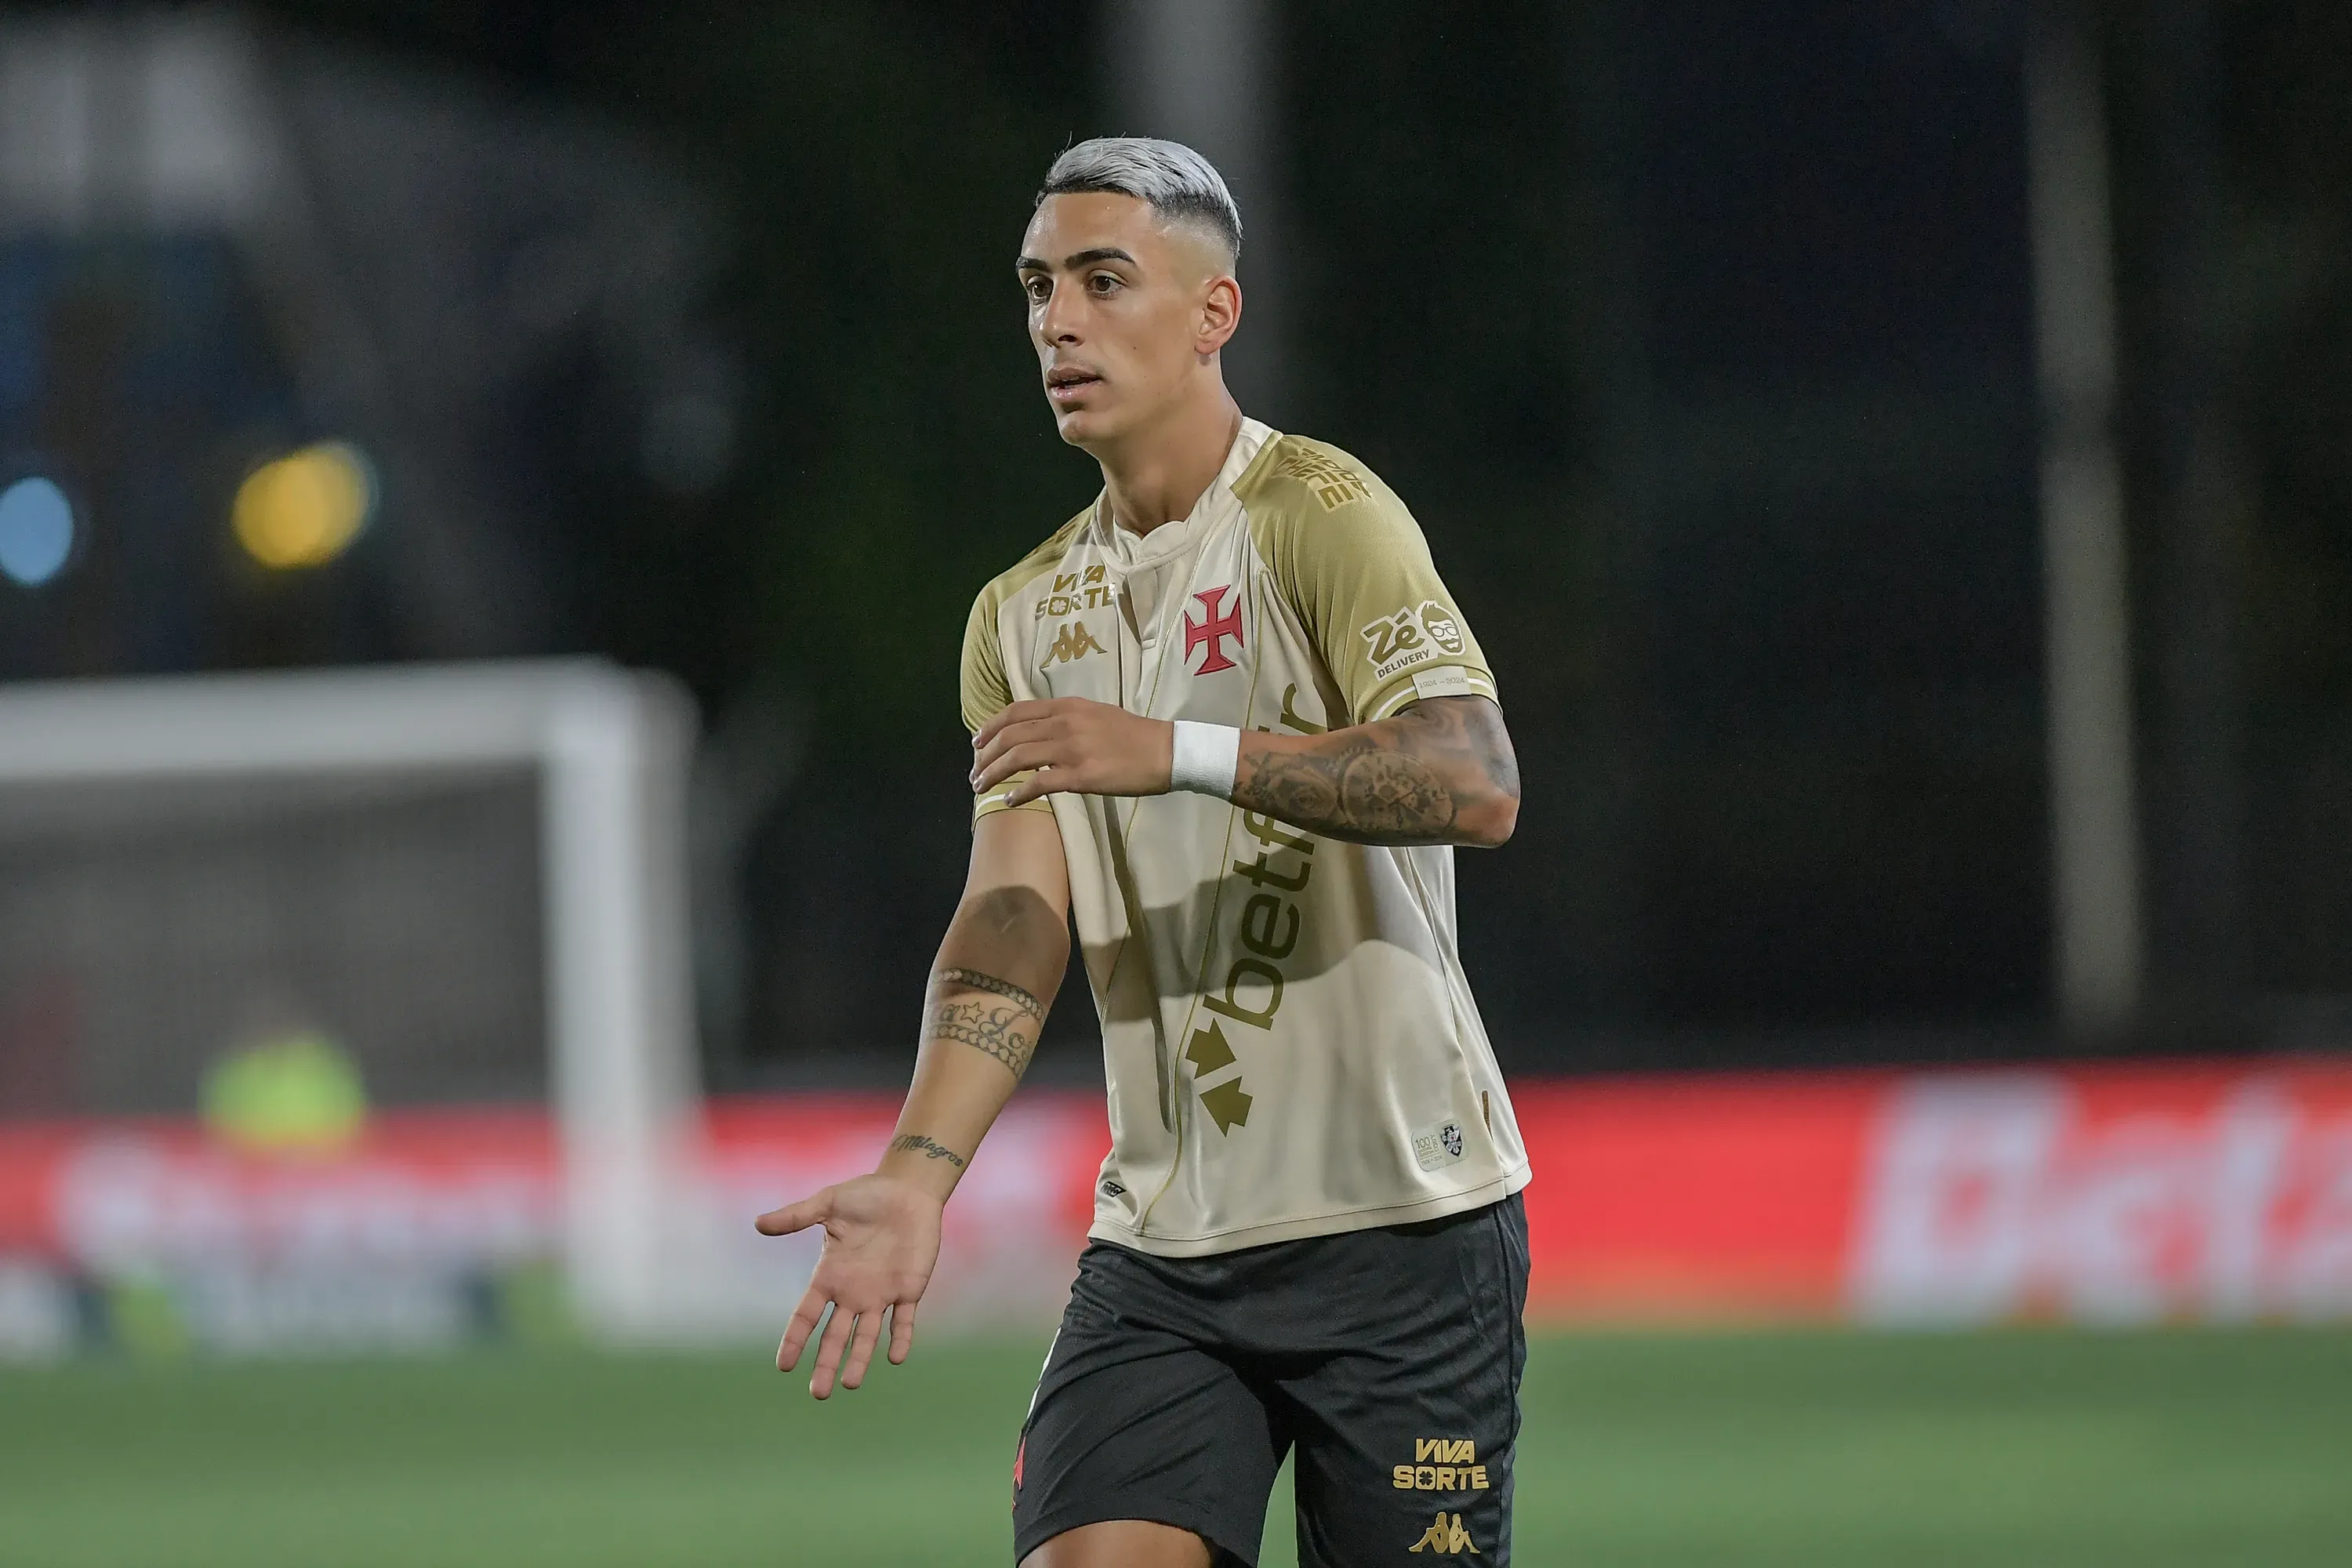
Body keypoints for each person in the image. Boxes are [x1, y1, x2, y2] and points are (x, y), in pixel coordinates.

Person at [756, 136, 1530, 1567]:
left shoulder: (1321, 516)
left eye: (1105, 281)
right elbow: (1011, 914)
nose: (1059, 320)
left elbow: (1476, 783)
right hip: (1169, 1250)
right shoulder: (1018, 614)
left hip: (1406, 1228)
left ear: (1213, 313)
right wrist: (921, 1173)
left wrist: (1172, 748)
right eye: (1040, 285)